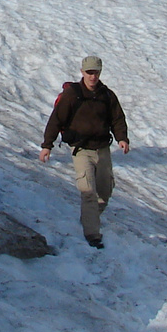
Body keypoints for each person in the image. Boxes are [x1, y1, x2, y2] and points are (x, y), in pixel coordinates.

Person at [39, 56, 129, 248]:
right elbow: (56, 119)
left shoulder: (107, 96)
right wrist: (47, 145)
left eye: (95, 72)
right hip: (81, 150)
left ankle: (89, 218)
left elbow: (117, 119)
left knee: (105, 191)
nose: (92, 76)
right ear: (82, 72)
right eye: (89, 72)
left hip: (103, 149)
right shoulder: (72, 95)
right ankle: (92, 234)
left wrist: (122, 138)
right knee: (88, 191)